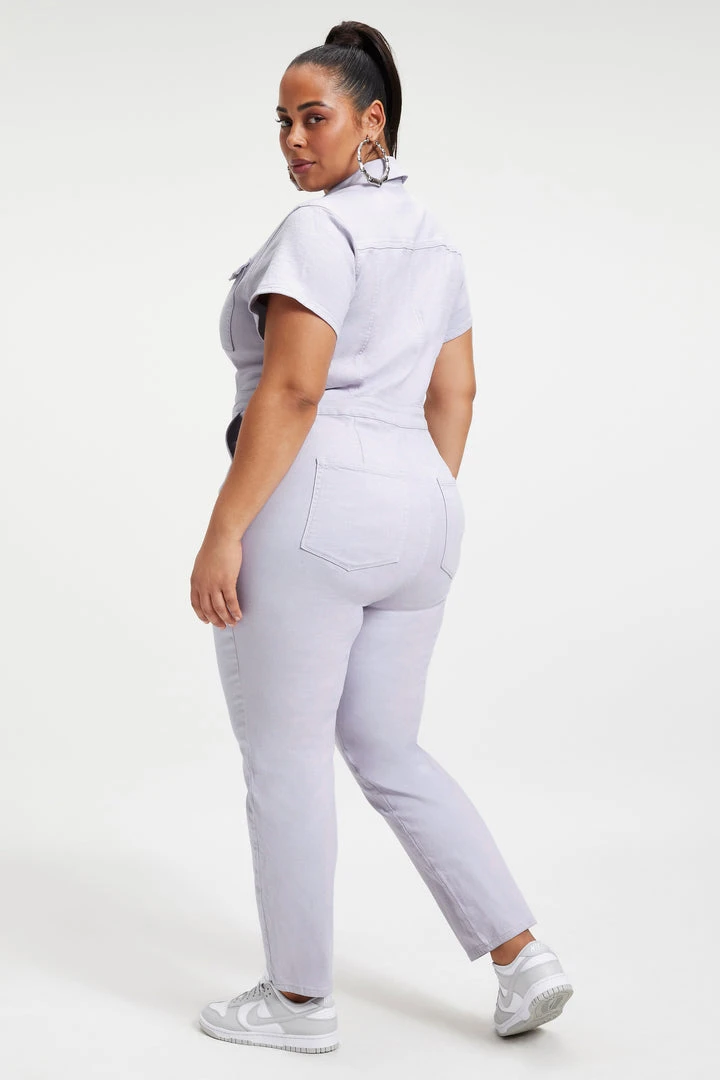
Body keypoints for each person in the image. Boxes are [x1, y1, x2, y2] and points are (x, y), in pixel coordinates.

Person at [189, 20, 573, 1055]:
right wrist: (408, 497)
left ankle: (297, 1003)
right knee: (387, 746)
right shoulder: (436, 239)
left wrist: (225, 530)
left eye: (313, 118)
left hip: (313, 500)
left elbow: (293, 390)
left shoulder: (318, 233)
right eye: (282, 121)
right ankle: (522, 956)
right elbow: (457, 393)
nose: (292, 140)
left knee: (285, 754)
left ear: (372, 121)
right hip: (423, 504)